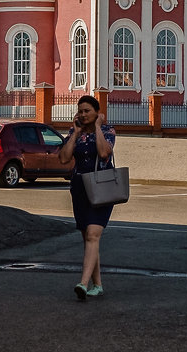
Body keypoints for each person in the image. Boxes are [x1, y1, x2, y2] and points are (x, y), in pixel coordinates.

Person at [59, 95, 116, 301]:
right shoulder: (75, 134)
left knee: (93, 234)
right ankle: (98, 285)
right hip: (80, 189)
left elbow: (103, 153)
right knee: (88, 238)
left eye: (87, 111)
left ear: (97, 113)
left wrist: (98, 127)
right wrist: (75, 133)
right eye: (80, 111)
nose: (83, 115)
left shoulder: (108, 131)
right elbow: (64, 158)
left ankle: (83, 283)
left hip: (102, 188)